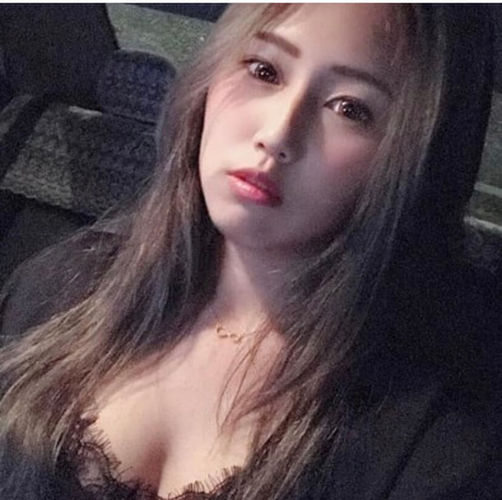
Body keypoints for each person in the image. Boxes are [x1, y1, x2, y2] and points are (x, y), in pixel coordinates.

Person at [0, 4, 500, 499]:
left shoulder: (441, 435)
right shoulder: (60, 288)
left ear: (417, 160)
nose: (277, 133)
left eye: (350, 109)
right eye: (264, 70)